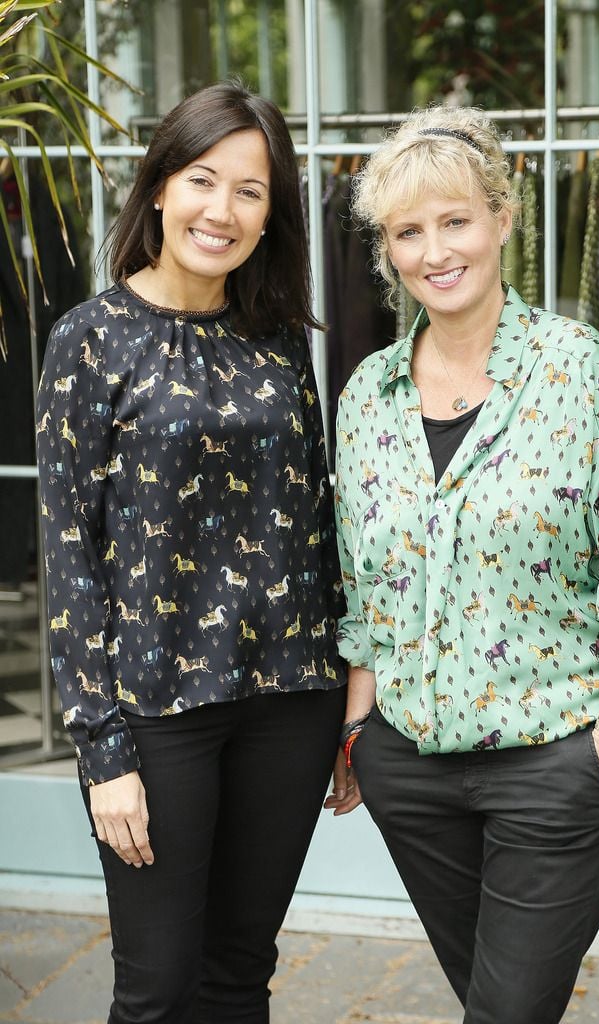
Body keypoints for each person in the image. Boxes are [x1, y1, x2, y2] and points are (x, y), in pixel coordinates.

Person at [325, 106, 599, 1024]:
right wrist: (358, 734)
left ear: (502, 219)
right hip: (411, 769)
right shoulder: (366, 397)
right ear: (389, 250)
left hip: (555, 758)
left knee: (507, 1011)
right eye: (408, 231)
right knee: (496, 1000)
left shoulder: (574, 367)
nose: (436, 250)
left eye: (455, 220)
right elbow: (364, 590)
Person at [36, 79, 346, 1024]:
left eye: (250, 191)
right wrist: (102, 750)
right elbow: (69, 555)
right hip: (157, 713)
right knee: (159, 988)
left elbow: (315, 521)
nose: (223, 210)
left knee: (239, 975)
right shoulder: (89, 343)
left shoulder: (280, 340)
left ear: (269, 215)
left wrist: (349, 692)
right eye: (204, 179)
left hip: (290, 704)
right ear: (162, 186)